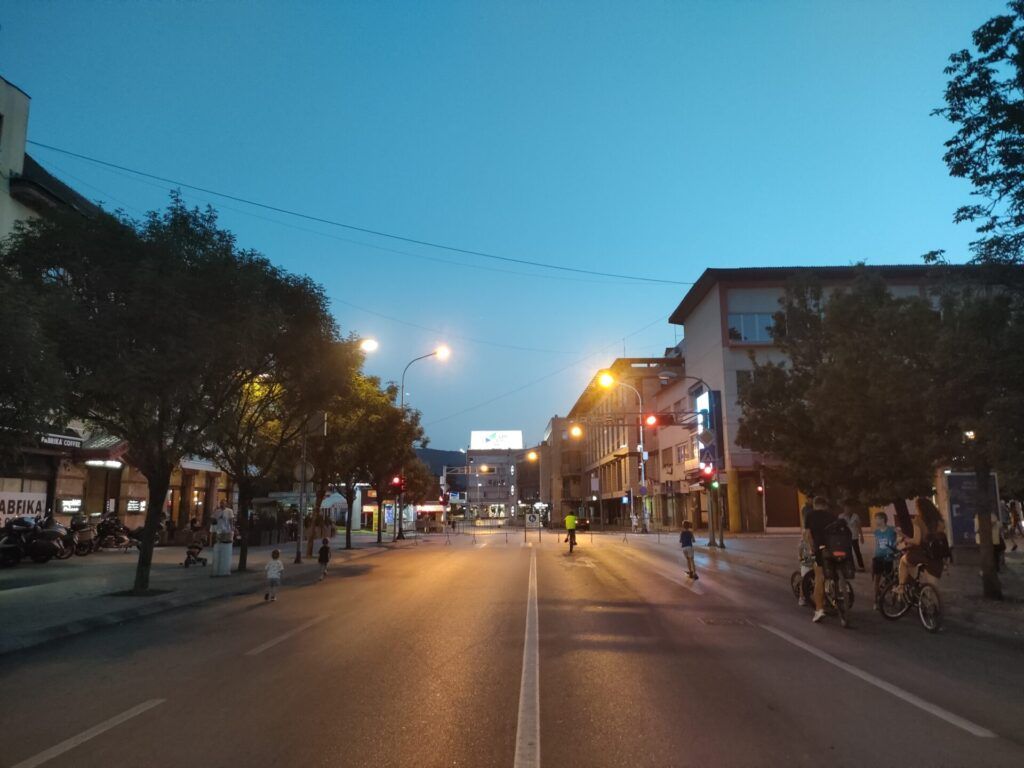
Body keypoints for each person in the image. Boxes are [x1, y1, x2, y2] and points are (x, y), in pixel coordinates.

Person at [899, 497, 946, 591]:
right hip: (937, 555)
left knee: (903, 561)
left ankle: (901, 588)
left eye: (916, 507)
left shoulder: (918, 520)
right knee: (932, 590)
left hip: (923, 554)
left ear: (920, 508)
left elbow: (917, 541)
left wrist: (907, 540)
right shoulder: (940, 521)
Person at [803, 496, 835, 624]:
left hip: (820, 549)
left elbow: (808, 535)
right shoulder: (832, 516)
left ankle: (819, 609)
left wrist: (811, 548)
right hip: (834, 549)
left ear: (814, 505)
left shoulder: (810, 516)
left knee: (819, 578)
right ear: (825, 505)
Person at [871, 511, 898, 610]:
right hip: (878, 557)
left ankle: (891, 598)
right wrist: (874, 556)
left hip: (888, 558)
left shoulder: (891, 530)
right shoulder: (876, 532)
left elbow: (900, 536)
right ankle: (875, 601)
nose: (875, 521)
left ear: (882, 519)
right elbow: (876, 544)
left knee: (889, 580)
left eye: (877, 519)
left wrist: (896, 545)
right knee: (876, 579)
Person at [839, 507, 865, 571]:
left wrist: (861, 536)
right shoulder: (841, 516)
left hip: (854, 536)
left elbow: (859, 526)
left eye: (848, 509)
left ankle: (861, 566)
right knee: (849, 552)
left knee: (857, 551)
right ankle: (852, 566)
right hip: (846, 537)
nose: (847, 510)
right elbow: (839, 526)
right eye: (846, 509)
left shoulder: (855, 516)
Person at [796, 538, 815, 606]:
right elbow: (799, 554)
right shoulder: (803, 543)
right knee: (803, 581)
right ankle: (801, 598)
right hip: (806, 565)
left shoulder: (815, 541)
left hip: (814, 564)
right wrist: (801, 558)